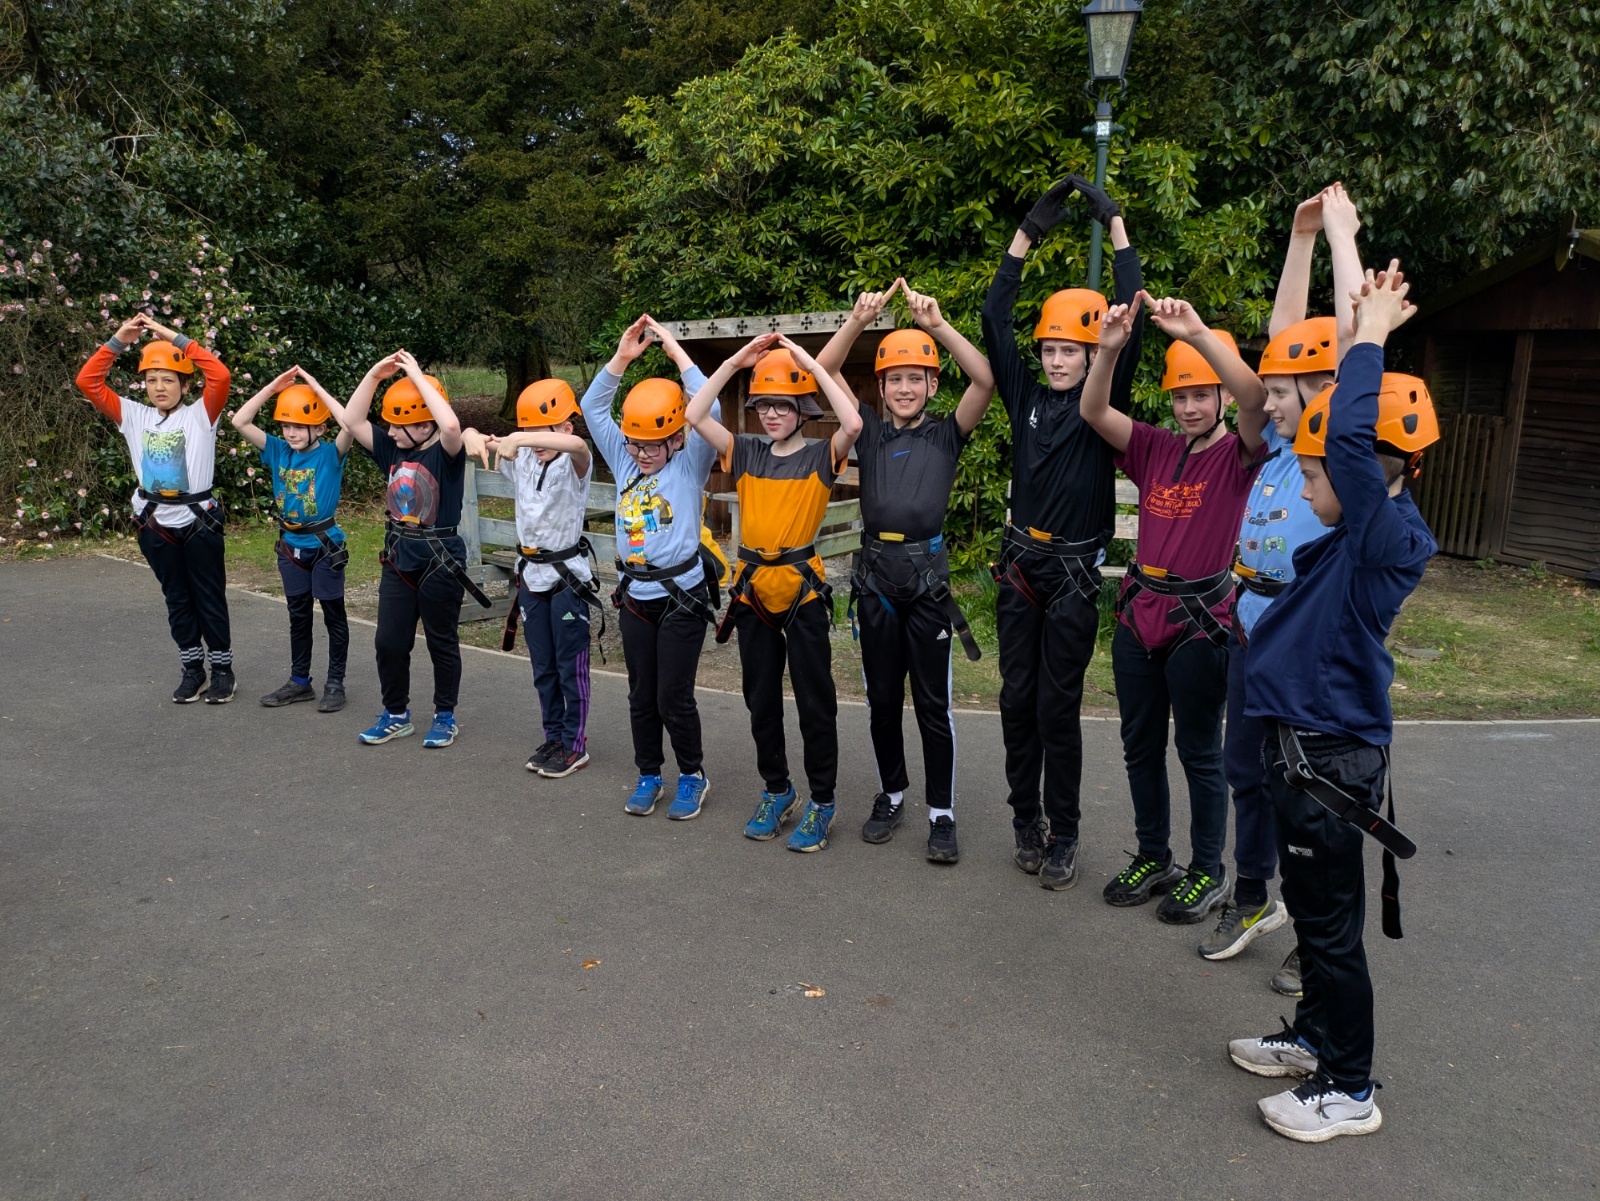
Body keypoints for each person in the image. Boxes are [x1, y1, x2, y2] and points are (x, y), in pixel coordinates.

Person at [1228, 261, 1438, 1142]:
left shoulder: (1385, 537)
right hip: (1300, 750)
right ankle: (1315, 1036)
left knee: (1333, 929)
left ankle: (1349, 1086)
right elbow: (1346, 449)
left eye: (1314, 476)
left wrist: (1372, 334)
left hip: (1328, 761)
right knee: (1316, 918)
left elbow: (1349, 443)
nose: (1307, 490)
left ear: (1364, 474)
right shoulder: (1354, 533)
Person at [1208, 184, 1365, 988]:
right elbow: (1286, 342)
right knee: (1248, 770)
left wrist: (1340, 235)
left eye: (1279, 391)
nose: (1263, 400)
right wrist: (1298, 239)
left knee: (1312, 792)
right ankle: (1251, 895)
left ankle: (1314, 930)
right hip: (1252, 634)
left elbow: (1354, 346)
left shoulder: (1341, 450)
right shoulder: (1279, 445)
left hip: (1309, 654)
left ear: (1322, 387)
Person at [1080, 294, 1267, 923]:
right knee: (1139, 746)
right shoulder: (1155, 446)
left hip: (1200, 624)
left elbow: (1257, 402)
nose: (1189, 407)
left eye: (1201, 396)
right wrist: (1107, 351)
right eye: (1181, 396)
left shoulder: (1240, 454)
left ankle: (1208, 868)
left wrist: (1199, 335)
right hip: (1139, 616)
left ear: (1220, 398)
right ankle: (1154, 855)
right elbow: (1093, 410)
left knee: (1198, 752)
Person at [980, 176, 1144, 888]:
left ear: (1090, 354)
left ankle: (1066, 829)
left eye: (1069, 350)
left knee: (1058, 707)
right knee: (1017, 700)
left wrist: (1116, 225)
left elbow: (1133, 310)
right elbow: (995, 316)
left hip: (1074, 574)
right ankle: (1026, 819)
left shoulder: (1101, 401)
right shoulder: (1023, 395)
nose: (1055, 359)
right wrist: (1025, 235)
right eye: (1049, 348)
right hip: (1022, 567)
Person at [815, 279, 996, 863]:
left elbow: (985, 380)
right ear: (882, 386)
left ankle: (941, 812)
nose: (904, 388)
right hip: (876, 585)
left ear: (932, 384)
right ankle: (892, 793)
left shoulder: (947, 434)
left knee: (933, 706)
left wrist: (937, 326)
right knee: (883, 701)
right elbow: (824, 368)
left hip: (926, 587)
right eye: (894, 379)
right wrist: (858, 321)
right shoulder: (867, 431)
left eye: (915, 378)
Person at [686, 334, 863, 851]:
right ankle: (777, 789)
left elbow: (853, 423)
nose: (771, 414)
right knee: (760, 701)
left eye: (784, 405)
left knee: (815, 704)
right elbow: (695, 414)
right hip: (753, 593)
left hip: (802, 593)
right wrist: (735, 362)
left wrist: (809, 364)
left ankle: (822, 801)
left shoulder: (822, 456)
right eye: (764, 405)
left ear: (803, 409)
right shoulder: (743, 451)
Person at [581, 315, 718, 820]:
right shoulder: (624, 460)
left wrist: (677, 353)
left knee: (672, 695)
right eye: (634, 443)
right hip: (636, 596)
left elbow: (710, 407)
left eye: (650, 446)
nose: (640, 454)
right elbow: (592, 407)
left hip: (682, 596)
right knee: (641, 695)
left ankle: (692, 775)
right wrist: (621, 359)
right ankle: (649, 773)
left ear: (676, 439)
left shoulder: (690, 463)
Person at [75, 313, 235, 702]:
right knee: (177, 599)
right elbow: (88, 381)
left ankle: (223, 671)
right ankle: (192, 669)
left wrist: (173, 337)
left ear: (185, 385)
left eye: (168, 380)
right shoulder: (134, 416)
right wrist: (118, 340)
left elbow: (220, 376)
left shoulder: (202, 414)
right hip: (155, 523)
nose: (159, 388)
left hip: (198, 522)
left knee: (209, 597)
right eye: (151, 380)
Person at [337, 351, 479, 748]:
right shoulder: (391, 449)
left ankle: (445, 715)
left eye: (399, 425)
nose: (391, 432)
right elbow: (351, 421)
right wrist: (373, 374)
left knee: (441, 641)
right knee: (389, 641)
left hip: (441, 558)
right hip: (399, 556)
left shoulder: (447, 453)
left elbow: (450, 424)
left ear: (424, 425)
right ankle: (396, 714)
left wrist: (417, 375)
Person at [463, 379, 598, 779]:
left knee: (570, 666)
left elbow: (580, 446)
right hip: (531, 576)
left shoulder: (574, 463)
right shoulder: (523, 459)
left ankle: (575, 744)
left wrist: (521, 437)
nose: (536, 441)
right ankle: (553, 736)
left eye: (545, 431)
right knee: (543, 667)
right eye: (528, 431)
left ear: (565, 427)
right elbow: (471, 436)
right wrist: (472, 435)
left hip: (566, 578)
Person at [231, 366, 354, 713]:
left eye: (300, 425)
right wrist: (272, 388)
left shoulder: (330, 454)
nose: (291, 432)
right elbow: (240, 421)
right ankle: (300, 682)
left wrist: (315, 384)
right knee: (298, 617)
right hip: (290, 546)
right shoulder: (277, 451)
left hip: (325, 547)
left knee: (333, 617)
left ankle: (335, 683)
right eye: (286, 425)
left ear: (320, 428)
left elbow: (350, 424)